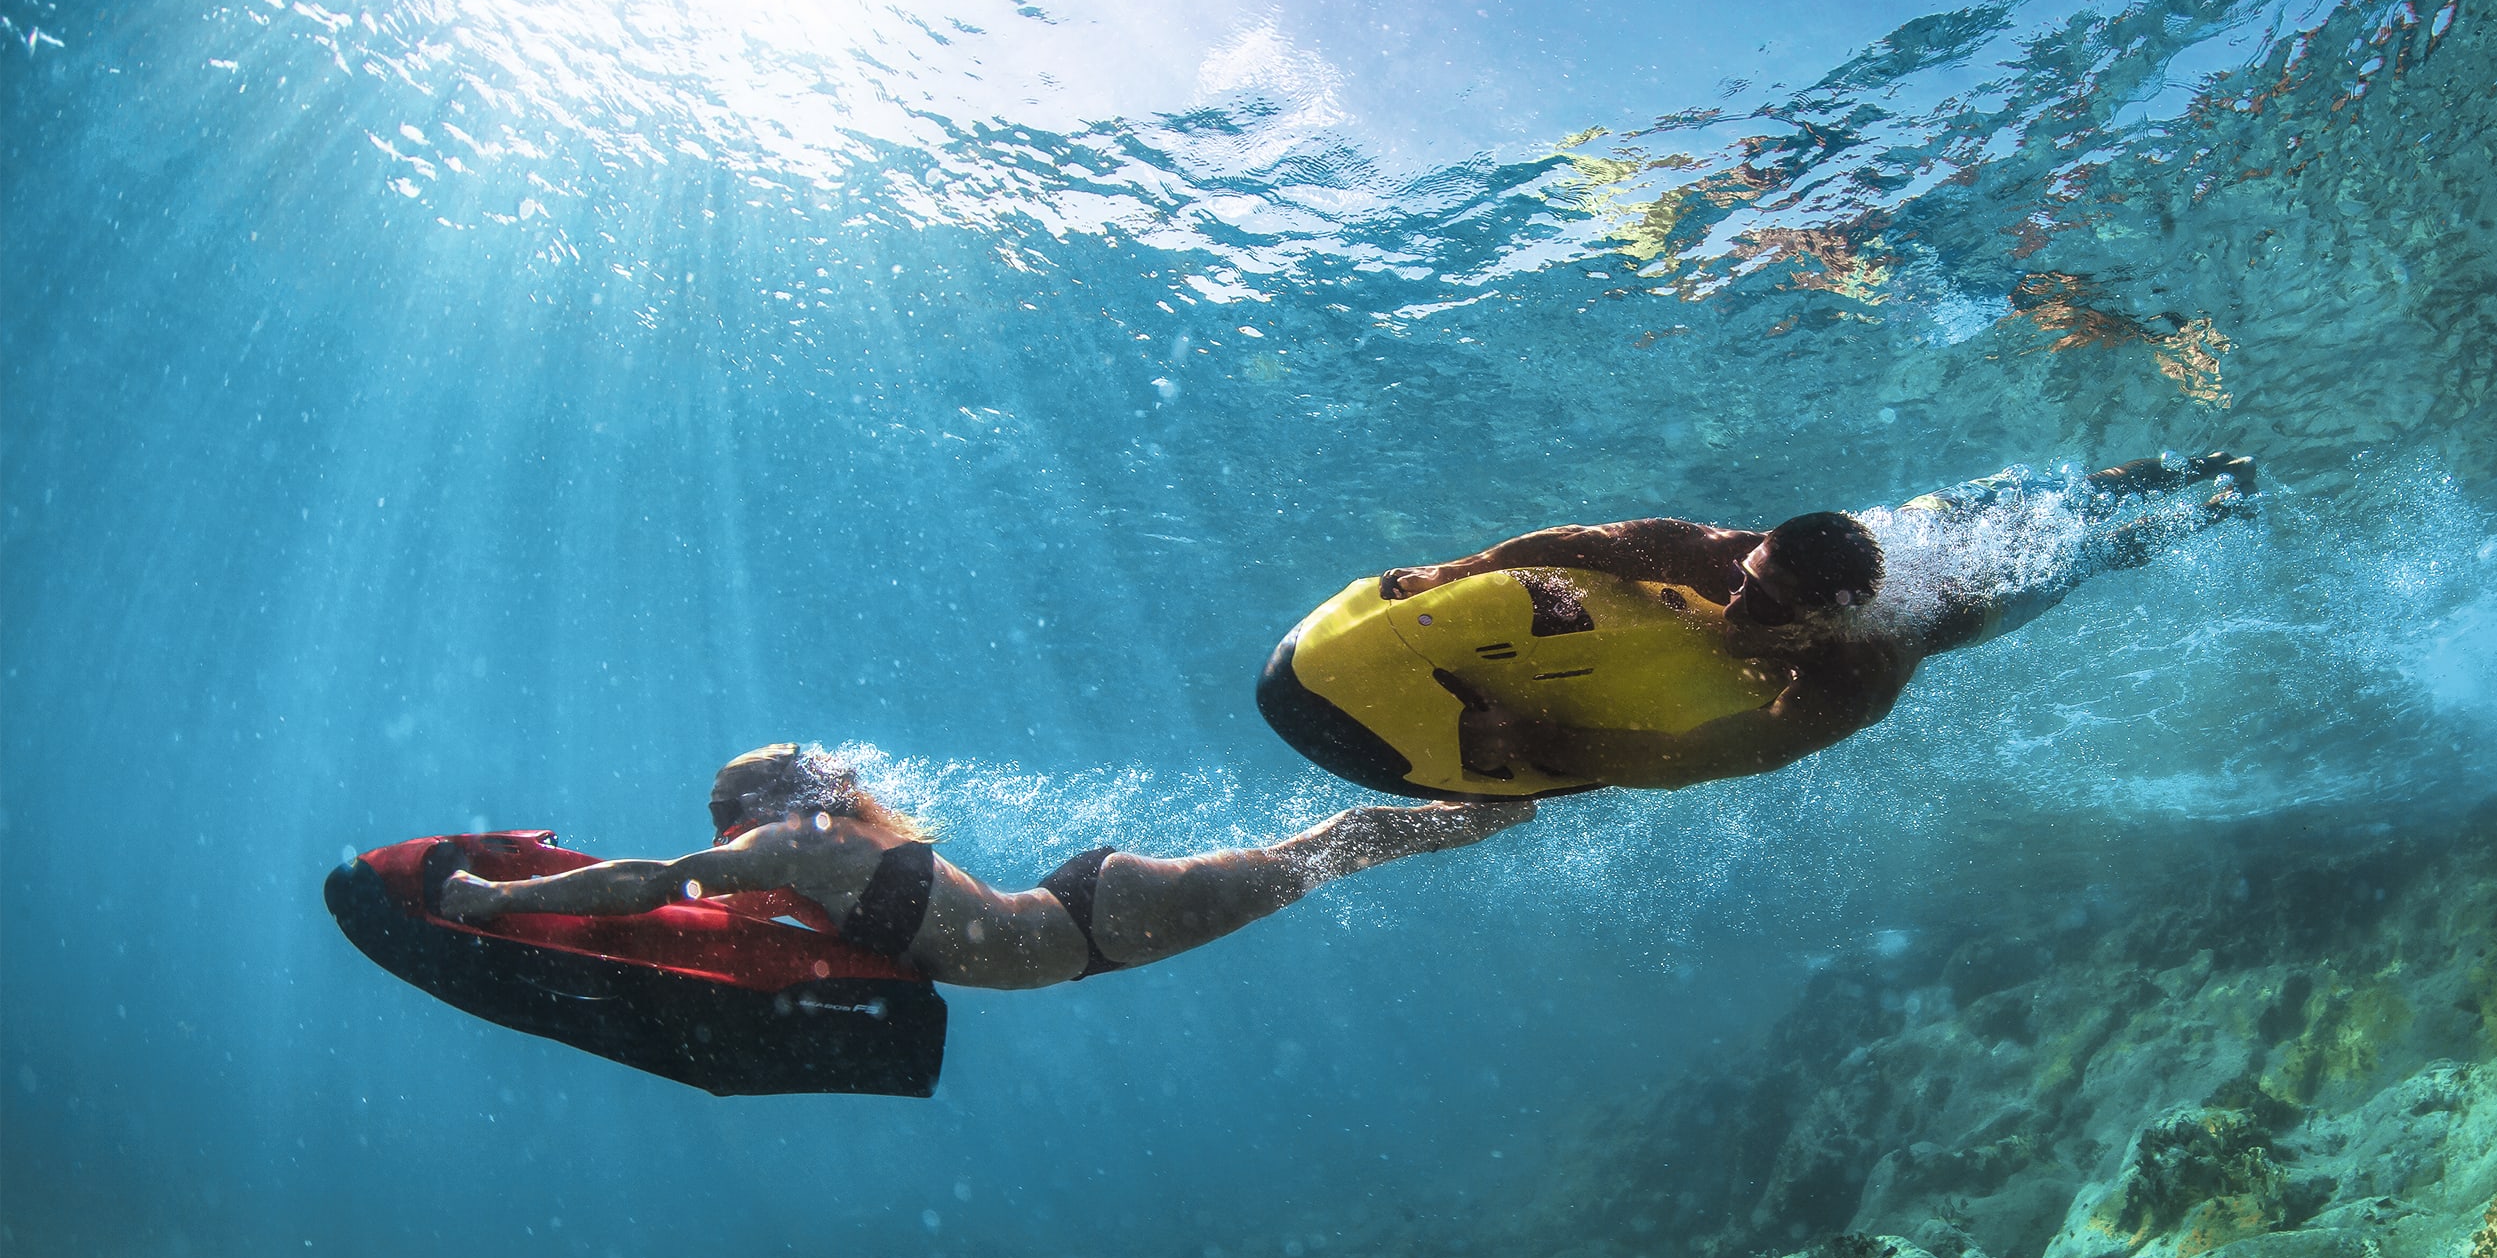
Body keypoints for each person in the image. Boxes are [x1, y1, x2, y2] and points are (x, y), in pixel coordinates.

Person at [1374, 452, 2257, 790]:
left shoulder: (1861, 671)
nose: (1737, 602)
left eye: (1766, 605)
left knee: (2079, 550)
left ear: (1827, 621)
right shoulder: (1722, 553)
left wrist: (1541, 738)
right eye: (1748, 581)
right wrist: (1460, 572)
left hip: (1984, 595)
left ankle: (2204, 500)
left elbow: (1716, 756)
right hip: (1911, 527)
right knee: (2022, 494)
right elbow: (1586, 542)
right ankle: (2186, 461)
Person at [437, 743, 1530, 987]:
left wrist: (500, 894)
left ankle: (1484, 803)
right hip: (1084, 915)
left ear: (766, 807)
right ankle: (1473, 805)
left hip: (1100, 920)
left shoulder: (795, 844)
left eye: (723, 808)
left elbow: (645, 881)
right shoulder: (814, 852)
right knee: (1315, 859)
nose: (714, 823)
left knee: (1322, 855)